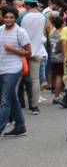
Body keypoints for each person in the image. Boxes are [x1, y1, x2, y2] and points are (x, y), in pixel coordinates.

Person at [0, 7, 31, 137]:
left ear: (15, 18)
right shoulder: (0, 30)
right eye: (6, 17)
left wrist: (12, 49)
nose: (8, 19)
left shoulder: (20, 32)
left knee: (5, 100)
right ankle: (20, 126)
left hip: (13, 69)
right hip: (1, 68)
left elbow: (29, 53)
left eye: (11, 17)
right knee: (11, 98)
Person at [19, 0, 46, 115]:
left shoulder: (22, 16)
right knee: (35, 79)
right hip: (37, 51)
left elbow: (18, 31)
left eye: (24, 4)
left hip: (22, 51)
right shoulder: (43, 17)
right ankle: (34, 106)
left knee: (18, 79)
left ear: (28, 5)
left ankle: (19, 103)